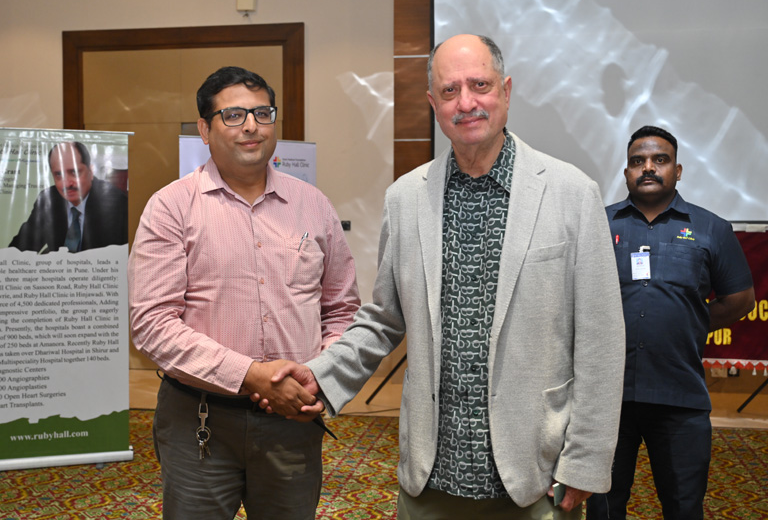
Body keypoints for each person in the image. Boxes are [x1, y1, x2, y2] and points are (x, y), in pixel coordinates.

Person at [265, 34, 626, 518]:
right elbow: (383, 319)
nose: (466, 102)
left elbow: (602, 340)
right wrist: (320, 377)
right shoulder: (405, 198)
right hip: (431, 477)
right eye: (450, 91)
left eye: (480, 85)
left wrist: (585, 462)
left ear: (506, 91)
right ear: (434, 104)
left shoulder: (572, 193)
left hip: (534, 476)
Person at [127, 66, 360, 520]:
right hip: (200, 420)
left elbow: (342, 309)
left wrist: (320, 378)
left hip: (293, 421)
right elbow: (152, 325)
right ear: (205, 130)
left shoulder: (313, 205)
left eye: (262, 113)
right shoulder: (171, 207)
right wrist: (249, 374)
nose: (251, 126)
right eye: (233, 115)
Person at [585, 126, 754, 520]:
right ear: (626, 172)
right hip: (607, 400)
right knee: (603, 508)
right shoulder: (597, 224)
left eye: (659, 160)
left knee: (683, 508)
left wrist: (690, 320)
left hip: (680, 398)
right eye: (637, 161)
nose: (648, 168)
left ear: (677, 171)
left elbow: (740, 300)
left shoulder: (711, 228)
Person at [9, 141, 128, 253]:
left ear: (90, 172)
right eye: (58, 174)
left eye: (74, 172)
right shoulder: (49, 200)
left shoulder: (116, 203)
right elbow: (20, 248)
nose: (67, 184)